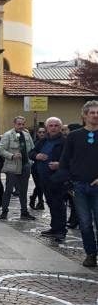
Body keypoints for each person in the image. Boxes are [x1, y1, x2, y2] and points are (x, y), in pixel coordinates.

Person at [58, 101, 98, 267]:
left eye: (97, 113)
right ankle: (90, 253)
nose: (95, 115)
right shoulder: (74, 136)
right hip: (79, 185)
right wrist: (69, 182)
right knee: (84, 223)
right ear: (84, 115)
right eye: (92, 113)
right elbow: (65, 160)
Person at [30, 117, 66, 241]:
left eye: (56, 125)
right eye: (51, 125)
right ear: (47, 128)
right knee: (50, 203)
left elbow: (72, 159)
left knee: (59, 205)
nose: (53, 128)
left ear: (60, 127)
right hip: (43, 178)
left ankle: (61, 230)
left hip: (58, 178)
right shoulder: (43, 140)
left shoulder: (64, 141)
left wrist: (59, 164)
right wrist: (37, 155)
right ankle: (54, 228)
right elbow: (31, 152)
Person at [0, 116, 37, 221]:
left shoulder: (27, 134)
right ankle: (4, 211)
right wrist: (11, 155)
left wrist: (31, 161)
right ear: (14, 124)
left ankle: (24, 212)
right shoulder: (7, 135)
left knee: (23, 190)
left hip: (25, 165)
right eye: (19, 124)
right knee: (9, 189)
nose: (21, 126)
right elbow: (1, 150)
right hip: (12, 166)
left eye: (22, 124)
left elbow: (32, 148)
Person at [29, 126, 47, 210]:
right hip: (36, 168)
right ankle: (40, 201)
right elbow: (31, 154)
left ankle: (34, 198)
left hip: (46, 168)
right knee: (39, 185)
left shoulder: (48, 142)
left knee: (41, 185)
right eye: (40, 132)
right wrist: (36, 156)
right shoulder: (35, 142)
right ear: (37, 133)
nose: (42, 134)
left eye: (43, 132)